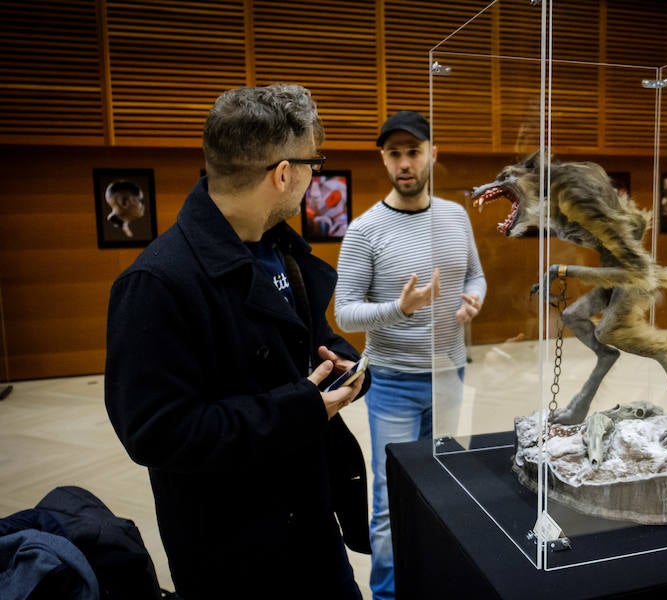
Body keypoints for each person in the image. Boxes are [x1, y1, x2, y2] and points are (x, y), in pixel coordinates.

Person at [104, 83, 371, 599]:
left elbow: (306, 341)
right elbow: (157, 433)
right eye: (314, 163)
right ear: (283, 173)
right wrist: (301, 408)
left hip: (311, 519)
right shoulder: (157, 283)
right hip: (232, 550)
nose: (314, 177)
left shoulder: (279, 251)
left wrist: (343, 363)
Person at [333, 110, 487, 600]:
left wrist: (474, 298)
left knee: (444, 487)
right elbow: (345, 314)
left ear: (432, 154)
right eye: (394, 153)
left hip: (450, 373)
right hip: (395, 382)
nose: (405, 162)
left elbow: (475, 276)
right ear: (383, 158)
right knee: (387, 500)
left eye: (413, 151)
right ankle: (389, 594)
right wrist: (398, 308)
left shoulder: (456, 215)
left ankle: (435, 579)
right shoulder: (364, 230)